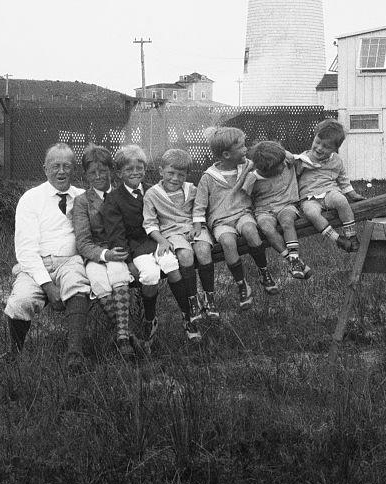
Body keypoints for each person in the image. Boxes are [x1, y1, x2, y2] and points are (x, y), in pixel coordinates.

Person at [3, 143, 93, 368]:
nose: (61, 171)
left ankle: (75, 355)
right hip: (36, 264)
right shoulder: (31, 198)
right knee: (20, 302)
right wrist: (48, 286)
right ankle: (15, 353)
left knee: (77, 286)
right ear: (45, 168)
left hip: (70, 261)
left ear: (74, 169)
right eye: (55, 166)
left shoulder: (83, 197)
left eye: (67, 166)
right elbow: (25, 250)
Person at [103, 145, 201, 345]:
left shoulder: (154, 190)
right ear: (119, 173)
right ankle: (150, 319)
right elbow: (117, 235)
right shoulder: (114, 199)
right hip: (136, 248)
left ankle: (188, 317)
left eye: (139, 168)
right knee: (150, 275)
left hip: (160, 241)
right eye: (129, 169)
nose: (135, 172)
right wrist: (128, 261)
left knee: (172, 267)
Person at [193, 126, 277, 309]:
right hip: (221, 221)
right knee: (227, 242)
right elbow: (199, 205)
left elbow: (269, 158)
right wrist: (198, 225)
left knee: (250, 230)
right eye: (241, 147)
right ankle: (242, 285)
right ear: (226, 155)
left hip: (242, 214)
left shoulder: (247, 165)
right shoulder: (208, 177)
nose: (246, 149)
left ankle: (264, 272)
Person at [70, 145, 135, 358]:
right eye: (92, 173)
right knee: (98, 281)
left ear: (111, 171)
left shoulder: (122, 193)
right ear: (85, 175)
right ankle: (126, 334)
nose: (98, 176)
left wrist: (123, 254)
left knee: (118, 275)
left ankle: (123, 340)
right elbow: (83, 242)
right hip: (97, 255)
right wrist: (104, 255)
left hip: (121, 251)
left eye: (103, 171)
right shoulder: (82, 202)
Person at [142, 148, 220, 323]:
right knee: (185, 255)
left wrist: (196, 224)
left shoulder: (192, 189)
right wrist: (161, 240)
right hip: (171, 232)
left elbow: (200, 208)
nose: (175, 178)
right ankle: (193, 299)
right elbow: (150, 222)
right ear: (161, 171)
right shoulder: (152, 194)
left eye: (181, 174)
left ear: (187, 175)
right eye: (170, 173)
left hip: (193, 228)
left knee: (202, 250)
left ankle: (210, 297)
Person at [245, 140, 313, 280]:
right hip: (264, 211)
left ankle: (294, 260)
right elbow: (244, 199)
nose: (284, 165)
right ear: (266, 170)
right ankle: (294, 261)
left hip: (286, 205)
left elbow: (305, 160)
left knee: (287, 221)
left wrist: (286, 155)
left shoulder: (286, 160)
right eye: (280, 165)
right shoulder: (253, 179)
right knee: (266, 227)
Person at [296, 119, 363, 252]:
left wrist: (353, 195)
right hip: (309, 197)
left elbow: (343, 179)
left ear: (335, 148)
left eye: (326, 146)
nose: (319, 148)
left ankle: (351, 235)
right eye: (317, 142)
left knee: (341, 200)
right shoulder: (304, 159)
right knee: (311, 213)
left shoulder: (337, 160)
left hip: (329, 192)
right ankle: (338, 239)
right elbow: (294, 178)